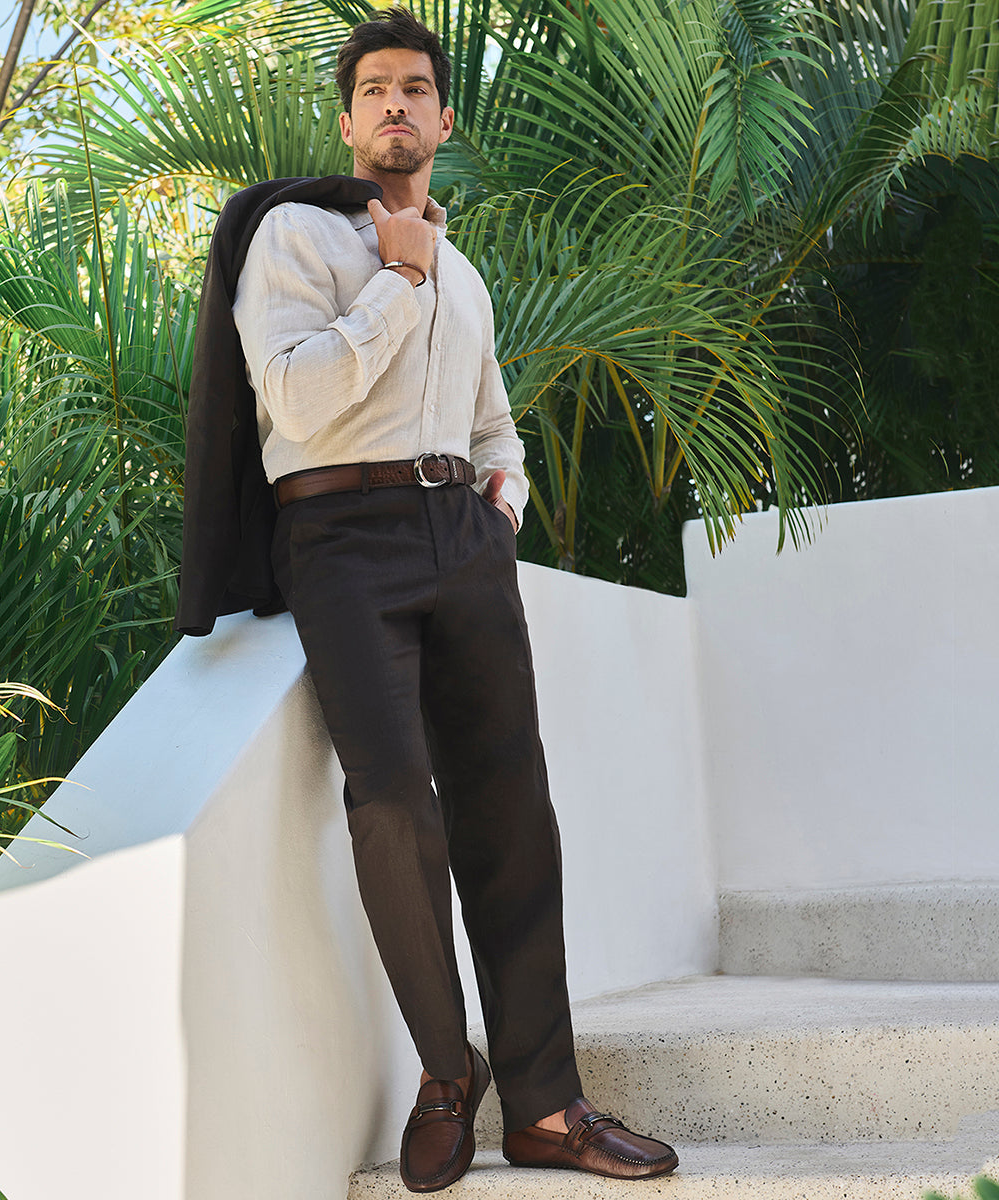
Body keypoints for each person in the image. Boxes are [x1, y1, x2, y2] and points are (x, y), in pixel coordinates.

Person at [228, 8, 679, 1192]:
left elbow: (492, 424)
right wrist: (396, 280)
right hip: (339, 538)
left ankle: (548, 1110)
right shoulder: (294, 236)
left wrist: (503, 508)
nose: (396, 105)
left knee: (512, 816)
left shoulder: (463, 275)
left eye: (416, 88)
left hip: (463, 543)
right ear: (347, 119)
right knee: (391, 807)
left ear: (441, 118)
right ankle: (446, 1071)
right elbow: (295, 399)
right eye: (375, 89)